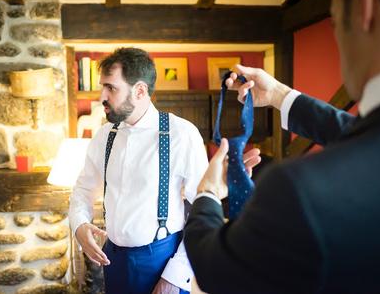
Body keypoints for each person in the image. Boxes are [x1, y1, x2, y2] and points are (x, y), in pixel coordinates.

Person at [184, 0, 380, 293]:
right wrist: (278, 94)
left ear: (363, 5)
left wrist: (208, 193)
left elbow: (219, 272)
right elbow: (361, 135)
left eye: (333, 23)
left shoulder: (299, 191)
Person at [69, 47, 262, 294]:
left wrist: (176, 276)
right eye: (102, 87)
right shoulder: (103, 136)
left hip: (163, 263)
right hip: (112, 261)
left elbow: (202, 210)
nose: (101, 97)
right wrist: (79, 225)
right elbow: (83, 190)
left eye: (111, 88)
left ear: (140, 90)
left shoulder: (181, 134)